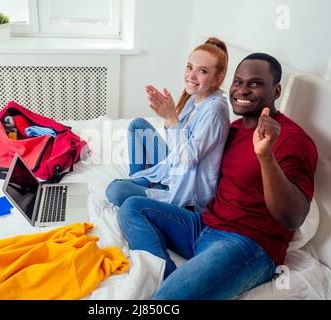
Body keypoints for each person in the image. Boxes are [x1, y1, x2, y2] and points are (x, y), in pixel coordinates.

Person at [117, 53, 318, 299]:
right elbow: (197, 169)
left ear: (276, 92)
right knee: (132, 206)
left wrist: (266, 157)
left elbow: (293, 217)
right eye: (238, 82)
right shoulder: (232, 130)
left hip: (246, 244)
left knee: (167, 300)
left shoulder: (293, 140)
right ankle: (168, 276)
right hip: (203, 225)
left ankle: (174, 289)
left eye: (254, 83)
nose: (242, 90)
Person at [106, 37, 231, 214]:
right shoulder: (195, 97)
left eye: (202, 71)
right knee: (137, 126)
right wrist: (166, 117)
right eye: (189, 67)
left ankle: (140, 191)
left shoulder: (215, 110)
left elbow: (188, 160)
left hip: (184, 189)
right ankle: (138, 181)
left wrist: (172, 118)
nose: (191, 76)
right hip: (172, 168)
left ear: (218, 78)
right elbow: (176, 142)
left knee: (115, 190)